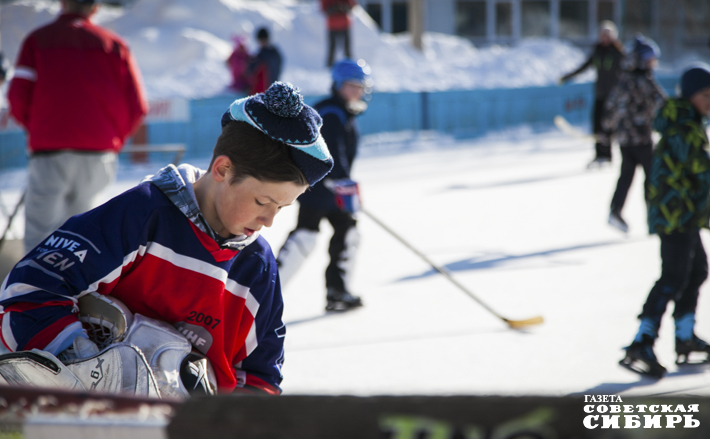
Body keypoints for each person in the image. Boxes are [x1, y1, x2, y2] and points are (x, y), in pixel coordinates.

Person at [0, 82, 334, 396]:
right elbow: (30, 289)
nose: (270, 220)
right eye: (262, 202)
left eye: (282, 207)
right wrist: (82, 363)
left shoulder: (256, 268)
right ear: (222, 170)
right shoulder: (143, 216)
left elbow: (261, 377)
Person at [7, 0, 148, 254]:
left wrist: (38, 127)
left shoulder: (37, 40)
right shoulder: (115, 46)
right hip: (98, 154)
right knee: (86, 237)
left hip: (49, 151)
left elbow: (17, 95)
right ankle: (78, 292)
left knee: (41, 236)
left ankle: (31, 291)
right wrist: (112, 138)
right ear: (95, 8)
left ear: (62, 3)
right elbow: (138, 105)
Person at [619, 65, 710, 379]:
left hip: (682, 213)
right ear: (690, 96)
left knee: (696, 270)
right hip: (676, 215)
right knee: (673, 276)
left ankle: (685, 336)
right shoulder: (684, 127)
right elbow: (702, 175)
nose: (709, 101)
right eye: (705, 95)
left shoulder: (687, 122)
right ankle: (641, 341)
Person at [277, 59, 371, 311]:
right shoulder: (331, 113)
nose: (356, 91)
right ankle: (267, 292)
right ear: (338, 85)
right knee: (306, 235)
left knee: (348, 231)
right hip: (319, 188)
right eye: (351, 85)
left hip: (334, 189)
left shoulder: (343, 112)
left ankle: (337, 291)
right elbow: (330, 152)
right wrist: (341, 180)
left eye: (360, 86)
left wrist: (343, 184)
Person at [602, 35, 666, 233]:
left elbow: (611, 105)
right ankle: (654, 216)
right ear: (643, 60)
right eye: (651, 60)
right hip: (642, 138)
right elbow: (662, 104)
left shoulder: (623, 79)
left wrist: (607, 129)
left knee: (626, 175)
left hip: (624, 140)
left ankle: (616, 209)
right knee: (652, 177)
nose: (653, 64)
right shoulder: (644, 81)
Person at [560, 20, 625, 168]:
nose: (604, 38)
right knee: (596, 125)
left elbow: (627, 72)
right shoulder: (597, 51)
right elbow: (584, 66)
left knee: (608, 126)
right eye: (602, 35)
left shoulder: (618, 53)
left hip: (613, 96)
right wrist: (568, 76)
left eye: (607, 35)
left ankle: (607, 155)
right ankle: (598, 154)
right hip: (600, 94)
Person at [246, 27, 283, 95]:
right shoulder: (276, 53)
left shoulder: (262, 55)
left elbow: (251, 71)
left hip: (264, 91)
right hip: (273, 90)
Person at [320, 0, 356, 67]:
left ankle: (349, 66)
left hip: (344, 24)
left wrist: (344, 8)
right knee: (332, 48)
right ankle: (330, 67)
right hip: (332, 25)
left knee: (347, 49)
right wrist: (333, 9)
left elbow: (352, 5)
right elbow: (323, 8)